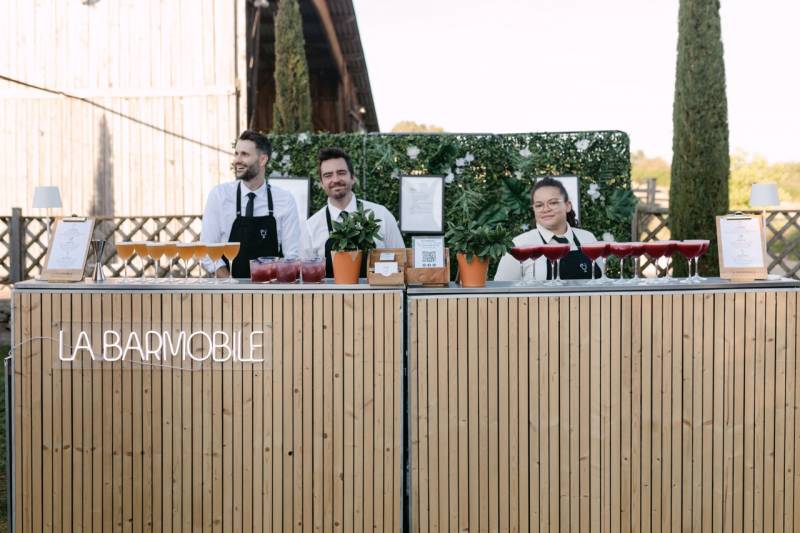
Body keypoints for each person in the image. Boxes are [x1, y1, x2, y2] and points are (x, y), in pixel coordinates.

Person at [200, 130, 302, 278]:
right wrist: (230, 285)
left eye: (244, 154)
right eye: (236, 154)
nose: (237, 160)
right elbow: (207, 250)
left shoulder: (285, 200)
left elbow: (292, 255)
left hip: (271, 288)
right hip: (228, 288)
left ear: (262, 160)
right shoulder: (219, 196)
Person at [304, 147, 405, 278]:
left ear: (352, 177)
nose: (335, 179)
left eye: (341, 172)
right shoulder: (311, 227)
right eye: (328, 175)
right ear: (322, 183)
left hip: (377, 292)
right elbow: (307, 278)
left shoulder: (382, 215)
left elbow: (402, 263)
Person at [494, 177, 601, 281]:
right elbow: (501, 289)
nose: (545, 209)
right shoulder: (519, 244)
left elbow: (601, 283)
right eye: (539, 205)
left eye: (553, 203)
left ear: (568, 206)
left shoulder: (588, 238)